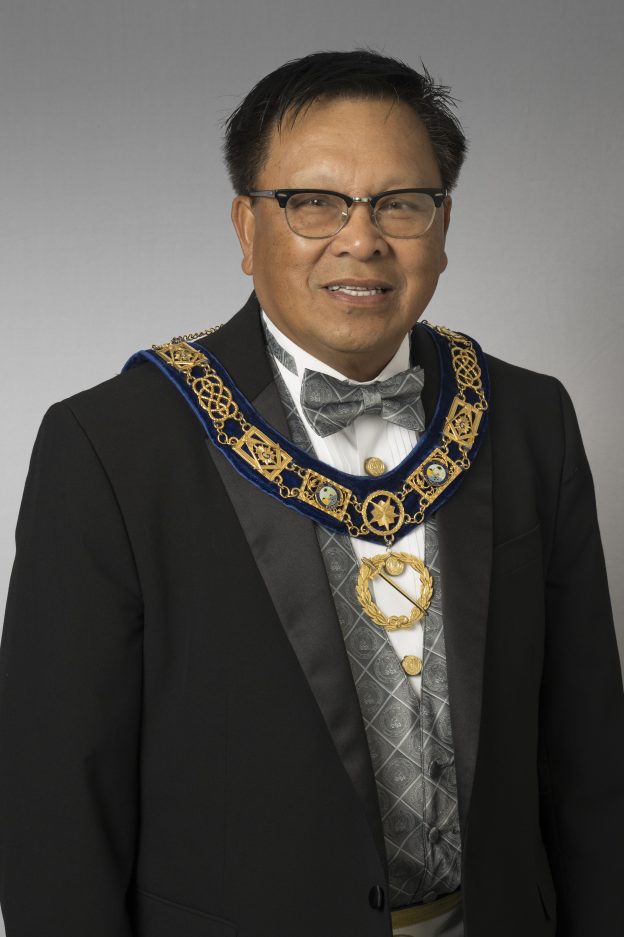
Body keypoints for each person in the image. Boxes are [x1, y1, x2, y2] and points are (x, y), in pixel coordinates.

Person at [0, 49, 622, 937]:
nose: (361, 240)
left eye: (401, 203)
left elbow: (589, 753)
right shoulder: (111, 446)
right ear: (246, 226)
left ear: (444, 224)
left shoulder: (529, 418)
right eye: (314, 202)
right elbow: (58, 803)